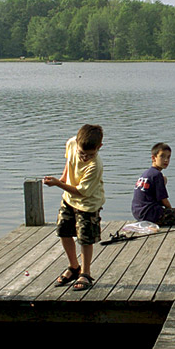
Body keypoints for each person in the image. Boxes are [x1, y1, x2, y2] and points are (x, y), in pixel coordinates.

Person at [43, 124, 106, 291]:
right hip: (68, 199)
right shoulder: (71, 143)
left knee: (85, 238)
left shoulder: (95, 166)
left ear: (99, 147)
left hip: (88, 203)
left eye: (90, 155)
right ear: (77, 143)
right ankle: (73, 266)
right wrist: (63, 178)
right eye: (81, 153)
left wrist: (57, 184)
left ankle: (85, 273)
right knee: (63, 231)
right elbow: (69, 161)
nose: (85, 157)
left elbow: (81, 192)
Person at [131, 142, 175, 227]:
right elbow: (164, 200)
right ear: (154, 158)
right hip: (149, 213)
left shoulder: (147, 173)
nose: (166, 160)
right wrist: (172, 212)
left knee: (164, 179)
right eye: (162, 156)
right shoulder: (157, 175)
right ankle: (157, 221)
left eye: (168, 157)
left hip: (137, 213)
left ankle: (160, 219)